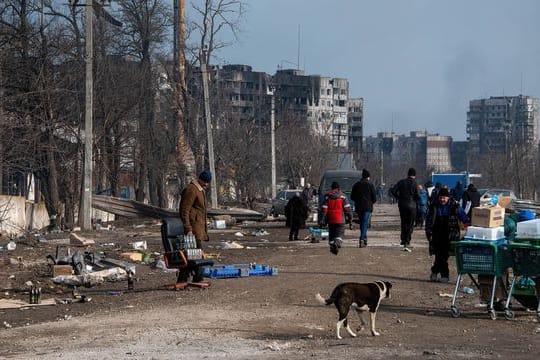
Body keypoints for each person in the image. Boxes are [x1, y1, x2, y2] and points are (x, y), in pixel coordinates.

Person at [425, 187, 469, 283]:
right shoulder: (434, 206)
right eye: (441, 197)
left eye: (444, 198)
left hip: (450, 234)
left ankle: (438, 273)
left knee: (443, 255)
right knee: (439, 255)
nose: (442, 200)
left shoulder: (454, 206)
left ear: (448, 197)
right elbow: (429, 220)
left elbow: (464, 216)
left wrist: (467, 225)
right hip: (437, 234)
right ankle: (440, 274)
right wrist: (428, 232)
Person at [179, 170, 212, 281]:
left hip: (197, 229)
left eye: (208, 182)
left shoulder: (199, 189)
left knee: (193, 254)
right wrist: (187, 228)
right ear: (200, 179)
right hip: (192, 229)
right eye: (205, 181)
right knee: (196, 254)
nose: (206, 184)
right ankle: (197, 278)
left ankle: (185, 278)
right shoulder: (192, 189)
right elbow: (185, 210)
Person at [391, 168, 420, 252]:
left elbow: (393, 190)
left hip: (402, 204)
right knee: (410, 224)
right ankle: (407, 241)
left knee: (404, 222)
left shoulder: (401, 182)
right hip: (412, 206)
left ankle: (403, 240)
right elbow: (417, 196)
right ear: (414, 175)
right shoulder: (415, 183)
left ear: (408, 174)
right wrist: (415, 200)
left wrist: (398, 197)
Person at [321, 181, 353, 255]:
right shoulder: (343, 196)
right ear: (339, 188)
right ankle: (336, 243)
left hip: (330, 220)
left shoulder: (327, 196)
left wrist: (322, 219)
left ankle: (333, 245)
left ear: (331, 188)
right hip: (340, 220)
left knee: (331, 235)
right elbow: (347, 209)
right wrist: (350, 218)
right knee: (340, 234)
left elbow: (324, 209)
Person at [351, 169, 377, 247]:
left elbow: (352, 197)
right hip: (367, 207)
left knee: (362, 222)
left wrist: (357, 201)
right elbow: (374, 198)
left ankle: (364, 238)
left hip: (359, 207)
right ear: (368, 177)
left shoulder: (356, 185)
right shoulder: (370, 185)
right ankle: (362, 238)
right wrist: (370, 202)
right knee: (365, 222)